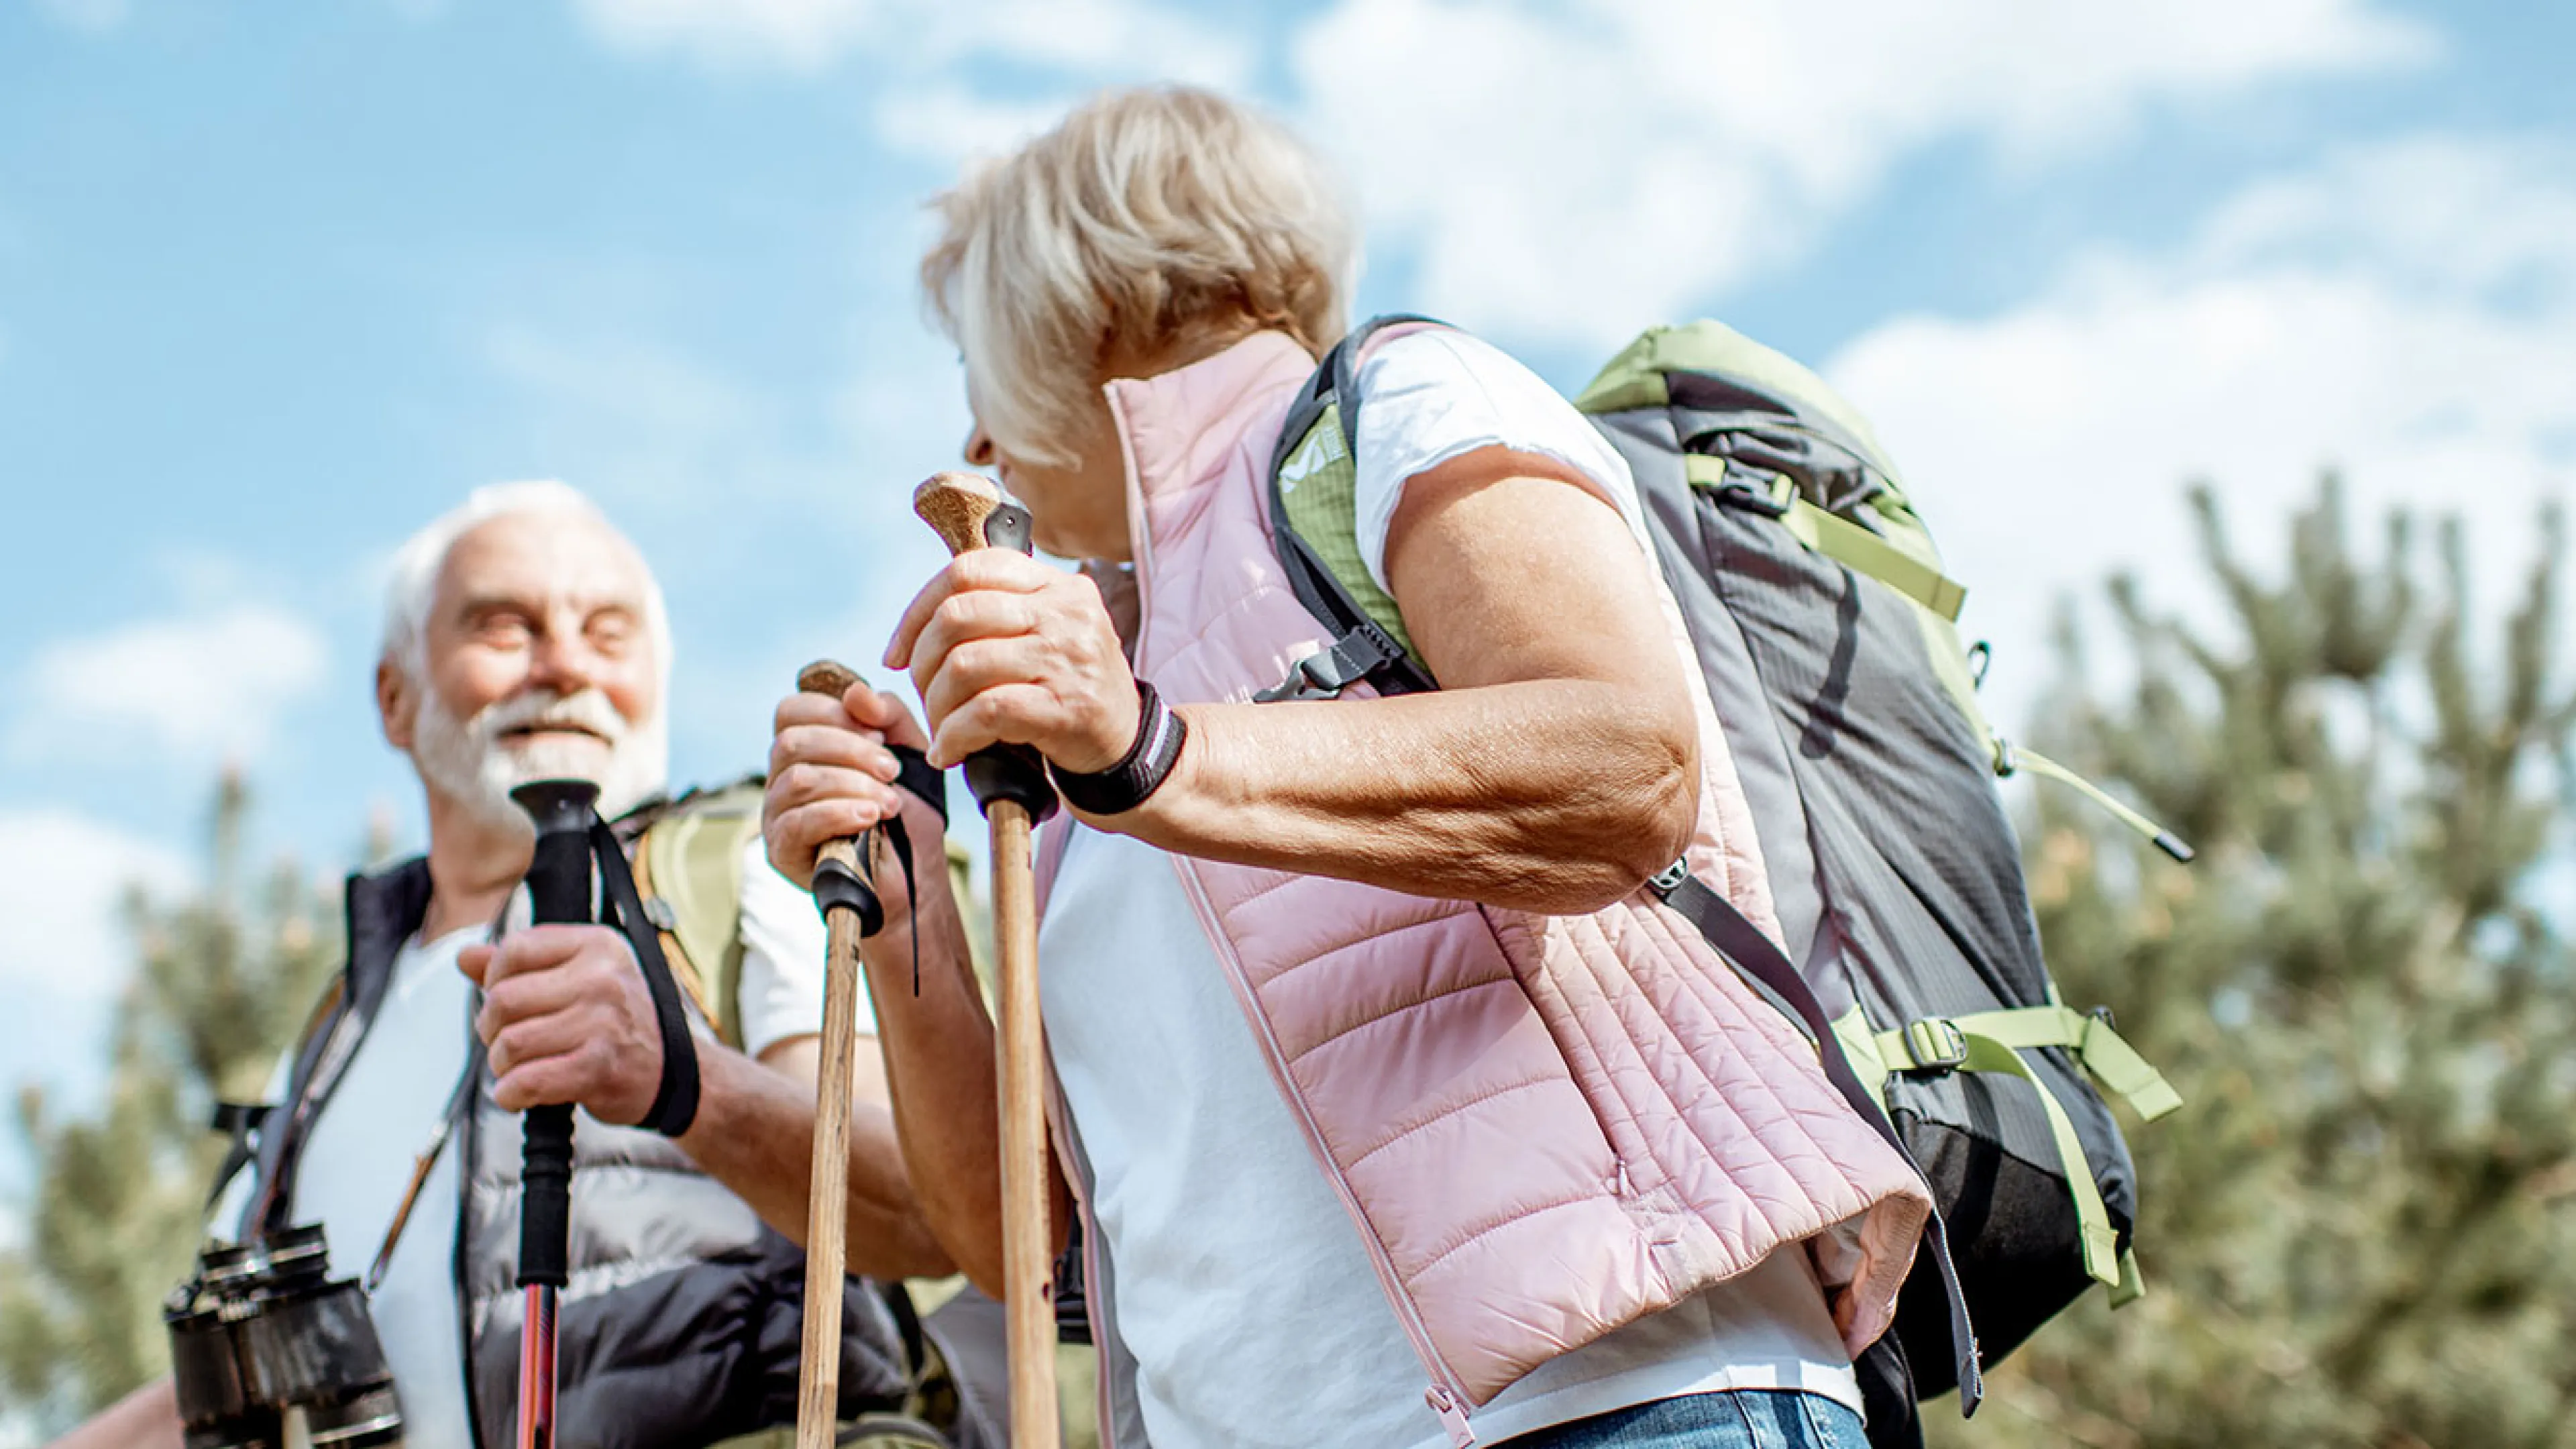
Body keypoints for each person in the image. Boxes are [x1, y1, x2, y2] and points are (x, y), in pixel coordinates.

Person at [763, 87, 1933, 1449]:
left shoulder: (1399, 401)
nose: (973, 439)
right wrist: (909, 890)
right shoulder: (1105, 675)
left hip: (1618, 1401)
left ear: (1080, 302)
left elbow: (1626, 765)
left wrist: (1150, 752)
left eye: (978, 362)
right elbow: (1018, 1247)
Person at [56, 481, 971, 1449]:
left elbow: (925, 1213)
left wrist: (684, 1083)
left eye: (608, 633)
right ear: (394, 697)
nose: (565, 664)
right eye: (505, 627)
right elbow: (226, 1392)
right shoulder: (331, 1035)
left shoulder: (750, 872)